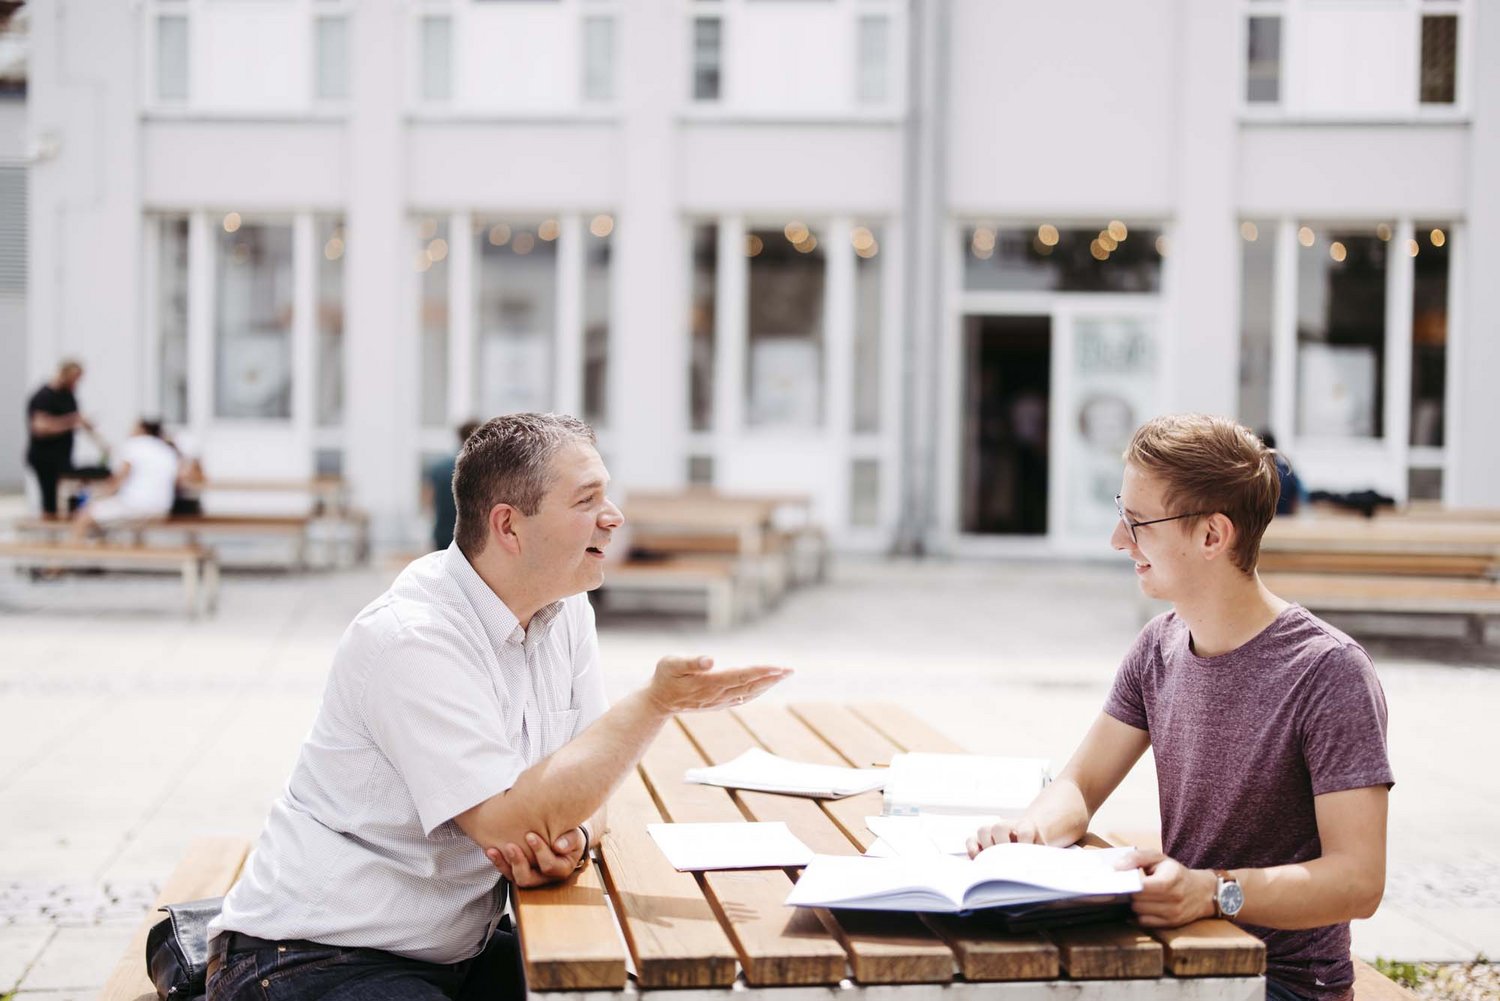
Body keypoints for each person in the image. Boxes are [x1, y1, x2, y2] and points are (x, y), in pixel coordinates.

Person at [207, 412, 790, 1001]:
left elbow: (594, 785)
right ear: (509, 527)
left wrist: (575, 840)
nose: (613, 517)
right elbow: (507, 826)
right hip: (313, 957)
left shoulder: (565, 609)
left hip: (449, 951)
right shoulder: (415, 637)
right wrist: (656, 703)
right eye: (587, 500)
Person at [969, 414, 1391, 1001]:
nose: (1118, 539)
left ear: (1213, 536)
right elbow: (1080, 785)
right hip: (1185, 960)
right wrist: (1028, 833)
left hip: (1281, 984)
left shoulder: (1329, 672)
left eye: (1138, 522)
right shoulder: (1159, 645)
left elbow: (1359, 881)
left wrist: (1214, 891)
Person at [68, 418, 182, 541]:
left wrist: (95, 496)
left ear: (142, 429)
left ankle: (68, 556)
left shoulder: (135, 444)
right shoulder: (167, 450)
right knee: (106, 523)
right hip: (161, 509)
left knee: (83, 517)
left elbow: (119, 480)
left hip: (135, 506)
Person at [25, 359, 103, 517]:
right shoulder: (43, 396)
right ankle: (48, 536)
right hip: (44, 456)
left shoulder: (68, 396)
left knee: (71, 494)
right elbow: (40, 427)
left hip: (62, 456)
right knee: (50, 501)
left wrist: (101, 442)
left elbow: (77, 419)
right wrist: (70, 421)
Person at [423, 420, 481, 552]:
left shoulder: (438, 468)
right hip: (472, 534)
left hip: (442, 533)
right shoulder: (483, 469)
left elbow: (427, 501)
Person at [1258, 430, 1304, 516]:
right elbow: (1298, 500)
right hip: (1286, 522)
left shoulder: (1254, 474)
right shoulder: (1288, 471)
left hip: (1263, 523)